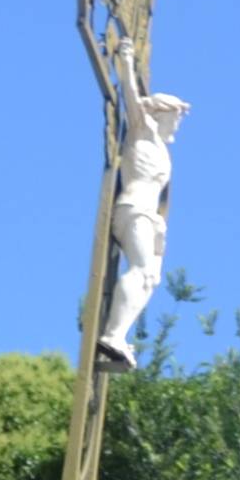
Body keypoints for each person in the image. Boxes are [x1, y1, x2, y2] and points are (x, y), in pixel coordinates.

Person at [93, 91, 185, 371]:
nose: (176, 126)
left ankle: (118, 334)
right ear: (160, 115)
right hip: (133, 209)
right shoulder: (142, 129)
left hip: (149, 217)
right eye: (174, 119)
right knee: (142, 270)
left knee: (151, 277)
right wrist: (126, 52)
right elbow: (131, 95)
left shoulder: (160, 148)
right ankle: (112, 335)